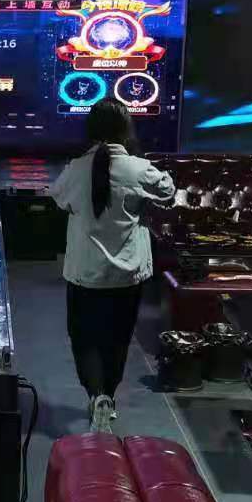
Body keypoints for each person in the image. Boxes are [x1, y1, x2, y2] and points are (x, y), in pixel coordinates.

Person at [49, 98, 176, 432]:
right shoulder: (138, 168)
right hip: (127, 275)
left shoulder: (76, 168)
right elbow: (167, 190)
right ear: (125, 128)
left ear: (91, 129)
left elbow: (58, 198)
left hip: (85, 274)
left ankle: (97, 396)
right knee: (118, 338)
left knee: (84, 338)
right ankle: (109, 395)